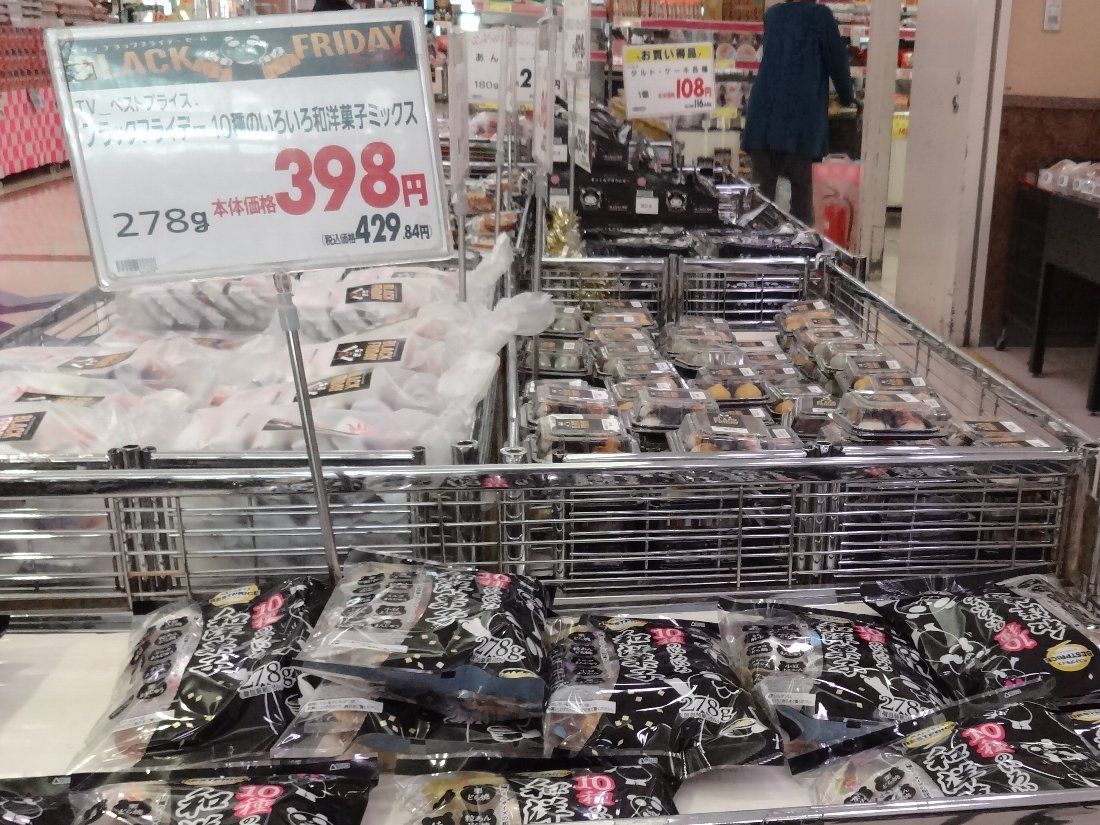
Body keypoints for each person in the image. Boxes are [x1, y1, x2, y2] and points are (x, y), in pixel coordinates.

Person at [742, 0, 855, 225]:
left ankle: (757, 243)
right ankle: (799, 243)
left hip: (763, 121)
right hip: (800, 124)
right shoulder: (821, 16)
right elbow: (838, 63)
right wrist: (847, 97)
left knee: (761, 208)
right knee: (801, 207)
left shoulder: (773, 14)